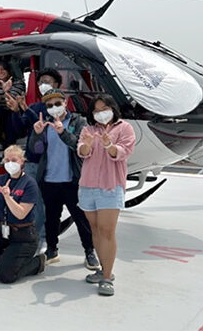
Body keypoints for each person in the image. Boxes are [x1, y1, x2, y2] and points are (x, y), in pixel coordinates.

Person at [28, 89, 99, 269]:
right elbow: (35, 151)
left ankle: (89, 251)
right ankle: (52, 249)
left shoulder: (78, 121)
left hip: (72, 180)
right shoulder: (44, 124)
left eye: (57, 103)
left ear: (65, 102)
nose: (54, 108)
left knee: (81, 218)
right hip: (49, 179)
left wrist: (62, 132)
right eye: (49, 105)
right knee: (51, 218)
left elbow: (80, 146)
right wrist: (36, 134)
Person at [77, 94, 135, 296]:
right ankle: (103, 269)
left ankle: (108, 277)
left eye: (105, 108)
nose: (101, 113)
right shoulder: (88, 129)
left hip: (111, 187)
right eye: (96, 110)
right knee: (95, 230)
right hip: (88, 186)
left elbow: (122, 152)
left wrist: (109, 145)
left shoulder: (124, 128)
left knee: (107, 230)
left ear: (113, 108)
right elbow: (82, 152)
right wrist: (86, 144)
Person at [0, 145, 46, 283]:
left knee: (4, 276)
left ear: (22, 161)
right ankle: (8, 262)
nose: (10, 163)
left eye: (14, 160)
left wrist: (7, 197)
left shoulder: (29, 183)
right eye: (7, 160)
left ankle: (37, 263)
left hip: (24, 235)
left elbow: (21, 214)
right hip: (3, 229)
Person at [7, 68, 63, 247]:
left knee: (51, 202)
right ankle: (38, 236)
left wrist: (25, 109)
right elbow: (20, 130)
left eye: (47, 81)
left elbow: (48, 128)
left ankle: (47, 237)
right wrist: (16, 111)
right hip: (33, 162)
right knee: (35, 200)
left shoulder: (58, 109)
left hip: (53, 163)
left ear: (56, 84)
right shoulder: (34, 107)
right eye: (40, 82)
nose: (42, 85)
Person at [0, 60, 26, 148]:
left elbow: (12, 101)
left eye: (2, 69)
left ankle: (10, 144)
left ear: (8, 70)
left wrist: (6, 91)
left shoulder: (18, 83)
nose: (0, 72)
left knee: (10, 112)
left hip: (14, 110)